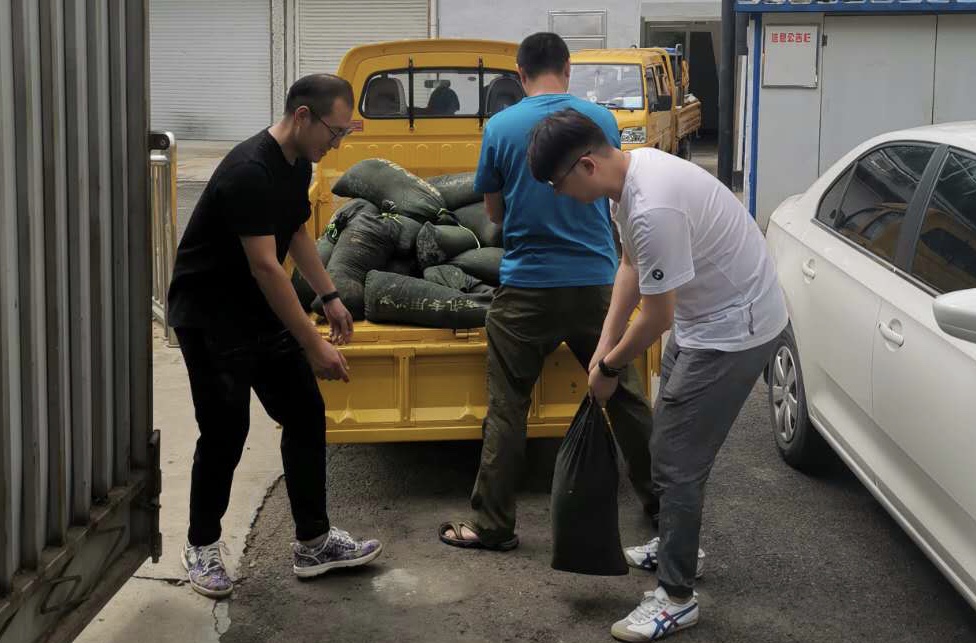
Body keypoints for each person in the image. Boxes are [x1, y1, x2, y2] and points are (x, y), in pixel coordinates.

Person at [527, 109, 788, 641]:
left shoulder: (652, 206)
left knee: (677, 461)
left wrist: (611, 366)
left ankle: (676, 596)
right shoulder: (627, 182)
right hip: (702, 318)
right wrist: (603, 347)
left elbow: (656, 317)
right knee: (668, 440)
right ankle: (675, 543)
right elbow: (630, 267)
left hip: (732, 330)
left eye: (558, 184)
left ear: (585, 165)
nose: (560, 195)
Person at [438, 33, 657, 551]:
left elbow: (493, 213)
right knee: (625, 396)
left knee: (507, 407)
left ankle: (493, 524)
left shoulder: (500, 127)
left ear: (520, 74)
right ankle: (663, 502)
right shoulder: (599, 119)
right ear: (568, 68)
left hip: (526, 287)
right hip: (597, 285)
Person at [167, 74, 382, 598]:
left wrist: (329, 294)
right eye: (335, 131)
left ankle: (313, 541)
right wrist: (312, 342)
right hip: (211, 316)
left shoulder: (298, 162)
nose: (337, 143)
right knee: (225, 431)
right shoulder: (249, 171)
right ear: (303, 116)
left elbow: (295, 231)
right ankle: (201, 544)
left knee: (305, 413)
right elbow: (266, 265)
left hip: (257, 309)